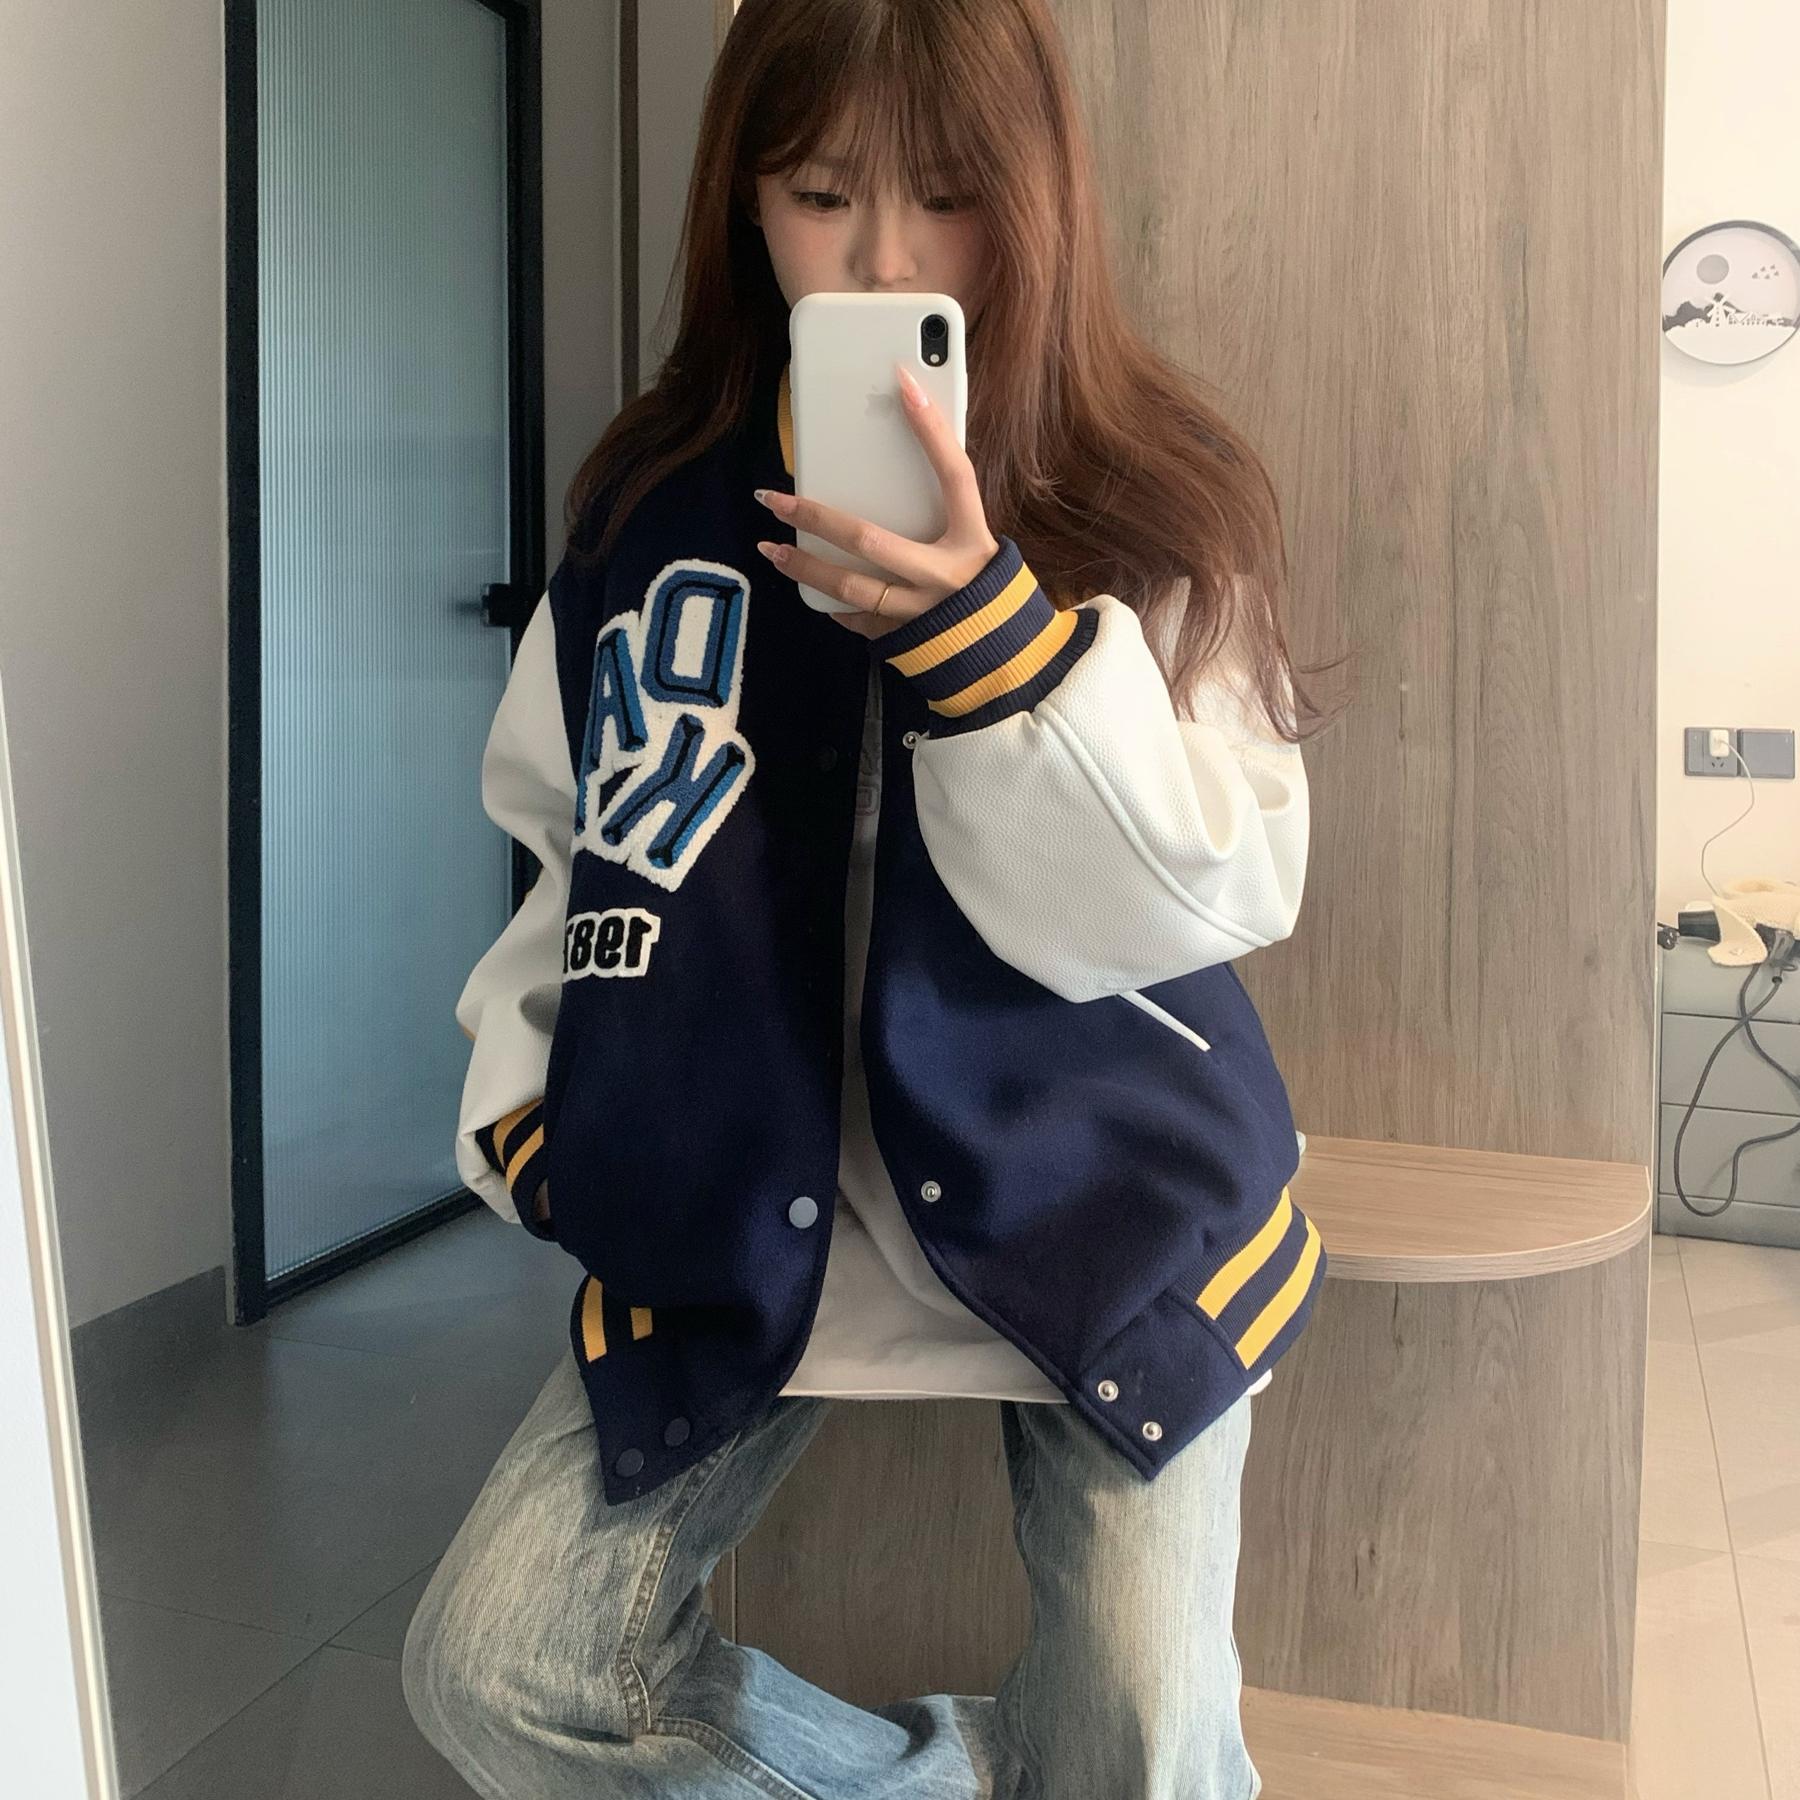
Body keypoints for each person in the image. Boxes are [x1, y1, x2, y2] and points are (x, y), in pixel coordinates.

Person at [402, 1, 1343, 1794]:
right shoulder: (647, 512)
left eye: (951, 196)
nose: (886, 259)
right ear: (744, 199)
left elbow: (1224, 884)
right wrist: (531, 1103)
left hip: (1107, 1198)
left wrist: (992, 646)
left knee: (1144, 1748)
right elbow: (567, 834)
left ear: (1039, 196)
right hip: (740, 1199)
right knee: (498, 1670)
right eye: (823, 193)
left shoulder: (1155, 494)